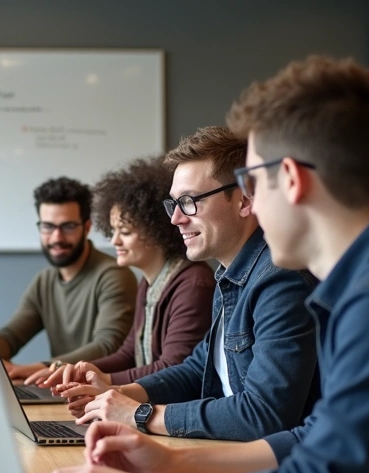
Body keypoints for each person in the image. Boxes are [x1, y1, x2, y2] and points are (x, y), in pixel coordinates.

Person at [30, 56, 369, 473]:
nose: (253, 206)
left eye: (253, 182)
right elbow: (315, 437)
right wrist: (172, 459)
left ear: (289, 180)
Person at [47, 127, 319, 441]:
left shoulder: (280, 280)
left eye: (190, 201)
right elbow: (195, 369)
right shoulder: (230, 276)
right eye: (173, 204)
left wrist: (139, 413)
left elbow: (264, 414)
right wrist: (115, 393)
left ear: (245, 200)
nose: (176, 218)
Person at [38, 157, 214, 413]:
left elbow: (172, 366)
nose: (115, 241)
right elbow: (128, 352)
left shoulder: (193, 283)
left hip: (172, 415)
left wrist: (107, 382)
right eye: (113, 231)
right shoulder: (148, 282)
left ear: (157, 231)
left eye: (125, 232)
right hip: (148, 409)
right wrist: (85, 370)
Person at [0, 177, 137, 383]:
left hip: (104, 392)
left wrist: (38, 368)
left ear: (86, 227)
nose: (56, 237)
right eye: (48, 227)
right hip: (62, 390)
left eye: (68, 226)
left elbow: (107, 346)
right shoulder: (44, 281)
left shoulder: (114, 275)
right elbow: (12, 336)